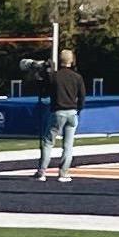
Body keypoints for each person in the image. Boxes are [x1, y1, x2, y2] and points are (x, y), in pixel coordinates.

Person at [42, 48, 87, 180]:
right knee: (68, 145)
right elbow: (82, 97)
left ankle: (42, 171)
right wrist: (78, 109)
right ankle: (63, 172)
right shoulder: (77, 77)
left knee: (48, 142)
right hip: (72, 112)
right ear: (71, 61)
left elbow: (45, 91)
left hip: (58, 111)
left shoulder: (55, 76)